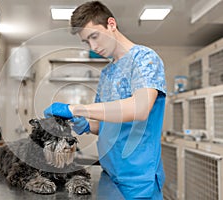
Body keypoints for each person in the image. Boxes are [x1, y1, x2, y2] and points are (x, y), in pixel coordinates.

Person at [44, 1, 167, 199]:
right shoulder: (107, 73)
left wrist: (77, 109)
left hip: (137, 179)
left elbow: (140, 108)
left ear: (111, 24)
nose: (93, 46)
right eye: (86, 42)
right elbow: (104, 125)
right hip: (109, 172)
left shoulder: (144, 59)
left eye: (94, 36)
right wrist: (84, 125)